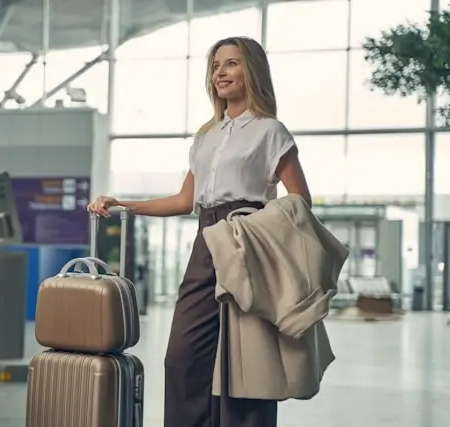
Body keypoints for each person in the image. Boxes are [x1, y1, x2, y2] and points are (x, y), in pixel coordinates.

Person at [88, 36, 311, 427]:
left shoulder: (270, 131)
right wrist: (125, 204)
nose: (220, 73)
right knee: (182, 357)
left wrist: (256, 230)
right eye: (216, 65)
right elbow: (183, 200)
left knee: (247, 363)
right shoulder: (206, 136)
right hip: (206, 243)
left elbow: (300, 200)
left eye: (231, 64)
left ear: (252, 71)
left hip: (249, 244)